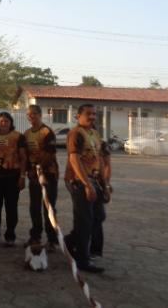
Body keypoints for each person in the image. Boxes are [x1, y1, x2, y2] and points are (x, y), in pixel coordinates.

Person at [63, 104, 105, 273]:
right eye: (88, 114)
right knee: (85, 221)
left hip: (94, 180)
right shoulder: (75, 134)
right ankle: (82, 259)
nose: (92, 117)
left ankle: (67, 242)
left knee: (98, 217)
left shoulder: (94, 133)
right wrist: (87, 185)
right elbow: (74, 160)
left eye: (94, 114)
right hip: (78, 180)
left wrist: (105, 184)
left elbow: (99, 159)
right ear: (78, 116)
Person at [0, 112, 27, 247]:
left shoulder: (18, 137)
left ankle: (10, 236)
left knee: (11, 208)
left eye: (6, 121)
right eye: (1, 121)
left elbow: (23, 158)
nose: (3, 123)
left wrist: (22, 176)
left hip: (12, 178)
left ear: (11, 123)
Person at [24, 104, 59, 250]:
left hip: (48, 175)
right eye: (29, 114)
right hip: (33, 176)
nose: (32, 117)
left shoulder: (47, 132)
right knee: (34, 207)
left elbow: (49, 154)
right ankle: (35, 237)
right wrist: (29, 170)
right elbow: (25, 154)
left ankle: (52, 240)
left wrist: (38, 169)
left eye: (34, 114)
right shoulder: (26, 133)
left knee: (48, 208)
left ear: (40, 115)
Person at [91, 139, 112, 261]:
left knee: (98, 217)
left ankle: (95, 250)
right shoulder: (78, 139)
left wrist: (106, 186)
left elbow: (108, 165)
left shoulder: (102, 144)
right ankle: (76, 245)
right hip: (83, 184)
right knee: (86, 218)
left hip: (99, 184)